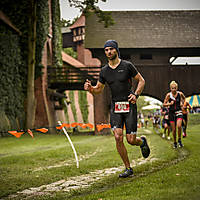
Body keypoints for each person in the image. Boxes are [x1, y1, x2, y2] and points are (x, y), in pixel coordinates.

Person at [84, 40, 150, 178]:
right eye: (106, 50)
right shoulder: (104, 71)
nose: (109, 52)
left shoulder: (127, 66)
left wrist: (136, 95)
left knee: (131, 140)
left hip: (129, 105)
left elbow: (141, 80)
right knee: (118, 137)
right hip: (115, 106)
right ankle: (128, 168)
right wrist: (91, 89)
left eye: (111, 49)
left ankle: (142, 141)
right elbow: (98, 90)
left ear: (116, 50)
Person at [163, 81, 185, 148]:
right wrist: (169, 104)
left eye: (175, 88)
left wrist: (182, 104)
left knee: (179, 126)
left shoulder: (180, 94)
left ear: (177, 88)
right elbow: (164, 104)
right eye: (172, 88)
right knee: (174, 129)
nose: (174, 89)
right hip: (171, 113)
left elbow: (184, 98)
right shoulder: (168, 95)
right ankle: (175, 142)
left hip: (179, 112)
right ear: (170, 88)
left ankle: (179, 140)